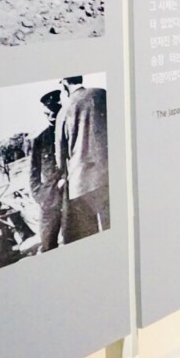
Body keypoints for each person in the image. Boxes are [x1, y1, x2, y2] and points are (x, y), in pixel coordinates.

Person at [55, 76, 109, 243]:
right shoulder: (101, 94)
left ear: (64, 82)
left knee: (90, 239)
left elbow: (60, 158)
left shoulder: (63, 112)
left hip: (80, 186)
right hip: (108, 177)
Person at [28, 89, 64, 252]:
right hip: (49, 198)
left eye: (55, 112)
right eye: (49, 113)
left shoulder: (68, 129)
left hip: (70, 193)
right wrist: (39, 195)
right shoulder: (40, 139)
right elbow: (33, 172)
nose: (52, 116)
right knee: (48, 242)